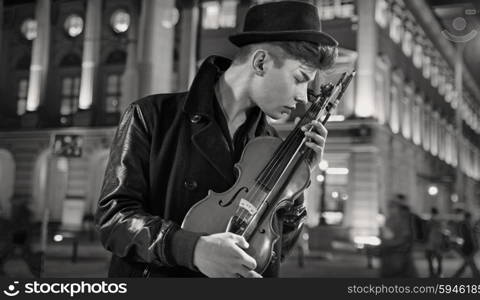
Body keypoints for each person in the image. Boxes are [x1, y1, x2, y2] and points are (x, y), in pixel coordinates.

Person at [95, 1, 338, 278]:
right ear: (260, 62)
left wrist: (297, 181)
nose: (303, 97)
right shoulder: (151, 116)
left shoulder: (273, 146)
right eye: (300, 78)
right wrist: (193, 249)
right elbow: (113, 220)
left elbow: (274, 251)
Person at [378, 194, 417, 278]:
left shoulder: (402, 220)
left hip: (398, 256)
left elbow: (405, 237)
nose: (390, 210)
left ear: (397, 208)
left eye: (392, 207)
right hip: (391, 257)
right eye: (389, 207)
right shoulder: (390, 220)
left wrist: (388, 243)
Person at [452, 210, 480, 278]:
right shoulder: (466, 224)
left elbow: (462, 234)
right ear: (469, 217)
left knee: (469, 262)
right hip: (468, 246)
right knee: (469, 262)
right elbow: (468, 236)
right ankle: (477, 275)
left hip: (467, 246)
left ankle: (477, 275)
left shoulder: (464, 224)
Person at [425, 207, 444, 277]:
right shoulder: (440, 220)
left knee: (430, 257)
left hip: (431, 241)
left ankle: (432, 272)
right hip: (438, 240)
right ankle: (439, 271)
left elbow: (427, 230)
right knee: (439, 257)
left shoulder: (431, 220)